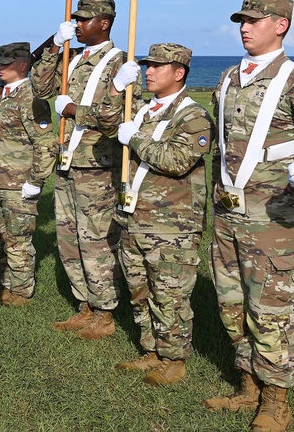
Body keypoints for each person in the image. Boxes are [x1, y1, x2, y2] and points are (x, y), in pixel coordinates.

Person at [203, 0, 294, 432]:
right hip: (229, 214)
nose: (245, 27)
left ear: (282, 25)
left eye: (256, 20)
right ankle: (248, 386)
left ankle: (277, 403)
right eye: (242, 20)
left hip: (276, 221)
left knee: (270, 312)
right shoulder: (229, 77)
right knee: (231, 305)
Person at [30, 0, 140, 339]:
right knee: (69, 239)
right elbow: (40, 87)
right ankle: (86, 304)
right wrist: (53, 45)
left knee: (95, 240)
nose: (77, 25)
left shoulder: (120, 63)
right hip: (68, 163)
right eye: (74, 20)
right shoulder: (72, 58)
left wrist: (75, 110)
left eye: (83, 20)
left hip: (97, 165)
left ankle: (105, 311)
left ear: (104, 23)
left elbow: (117, 119)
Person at [113, 43, 212, 386]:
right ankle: (151, 349)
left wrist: (136, 139)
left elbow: (176, 160)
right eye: (146, 65)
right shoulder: (143, 110)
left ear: (179, 72)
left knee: (170, 295)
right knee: (139, 289)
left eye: (157, 66)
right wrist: (116, 86)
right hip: (134, 216)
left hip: (172, 225)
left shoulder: (192, 115)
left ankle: (174, 359)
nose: (148, 71)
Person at [0, 42, 55, 308]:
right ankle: (7, 287)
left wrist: (36, 182)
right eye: (0, 62)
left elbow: (46, 144)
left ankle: (21, 293)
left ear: (23, 65)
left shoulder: (30, 98)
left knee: (18, 242)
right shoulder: (2, 94)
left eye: (6, 63)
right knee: (2, 240)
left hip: (18, 186)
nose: (0, 67)